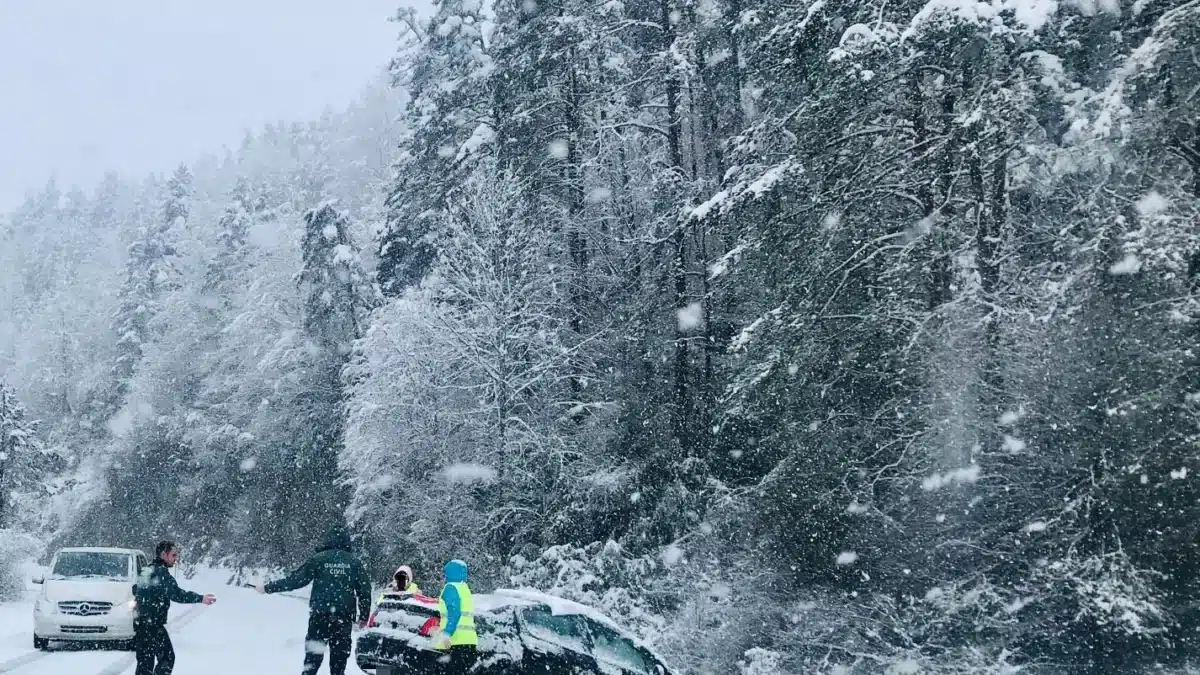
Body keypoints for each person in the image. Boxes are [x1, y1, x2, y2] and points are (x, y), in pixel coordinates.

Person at [256, 527, 372, 675]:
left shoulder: (319, 559)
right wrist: (363, 617)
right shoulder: (354, 563)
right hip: (343, 618)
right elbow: (365, 591)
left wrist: (267, 588)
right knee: (339, 661)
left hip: (319, 617)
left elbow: (295, 580)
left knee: (312, 659)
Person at [133, 540, 216, 675]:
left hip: (141, 623)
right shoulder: (161, 572)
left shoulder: (146, 569)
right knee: (167, 658)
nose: (176, 559)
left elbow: (136, 589)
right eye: (173, 555)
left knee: (144, 664)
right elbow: (177, 594)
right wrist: (201, 598)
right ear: (163, 555)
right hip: (153, 624)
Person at [433, 559, 478, 674]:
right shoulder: (464, 589)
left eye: (445, 573)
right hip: (469, 641)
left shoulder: (450, 588)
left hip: (455, 642)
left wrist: (447, 633)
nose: (444, 576)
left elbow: (454, 613)